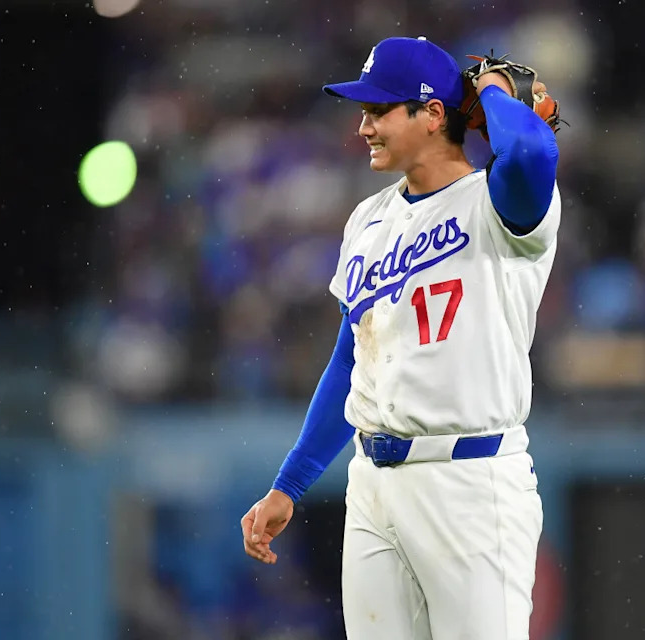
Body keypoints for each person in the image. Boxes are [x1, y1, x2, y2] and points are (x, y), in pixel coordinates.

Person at [240, 35, 561, 639]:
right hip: (373, 484)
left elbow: (530, 153)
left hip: (471, 482)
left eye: (378, 111)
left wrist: (492, 90)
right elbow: (350, 364)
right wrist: (291, 482)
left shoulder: (497, 205)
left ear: (433, 114)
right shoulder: (368, 219)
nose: (363, 127)